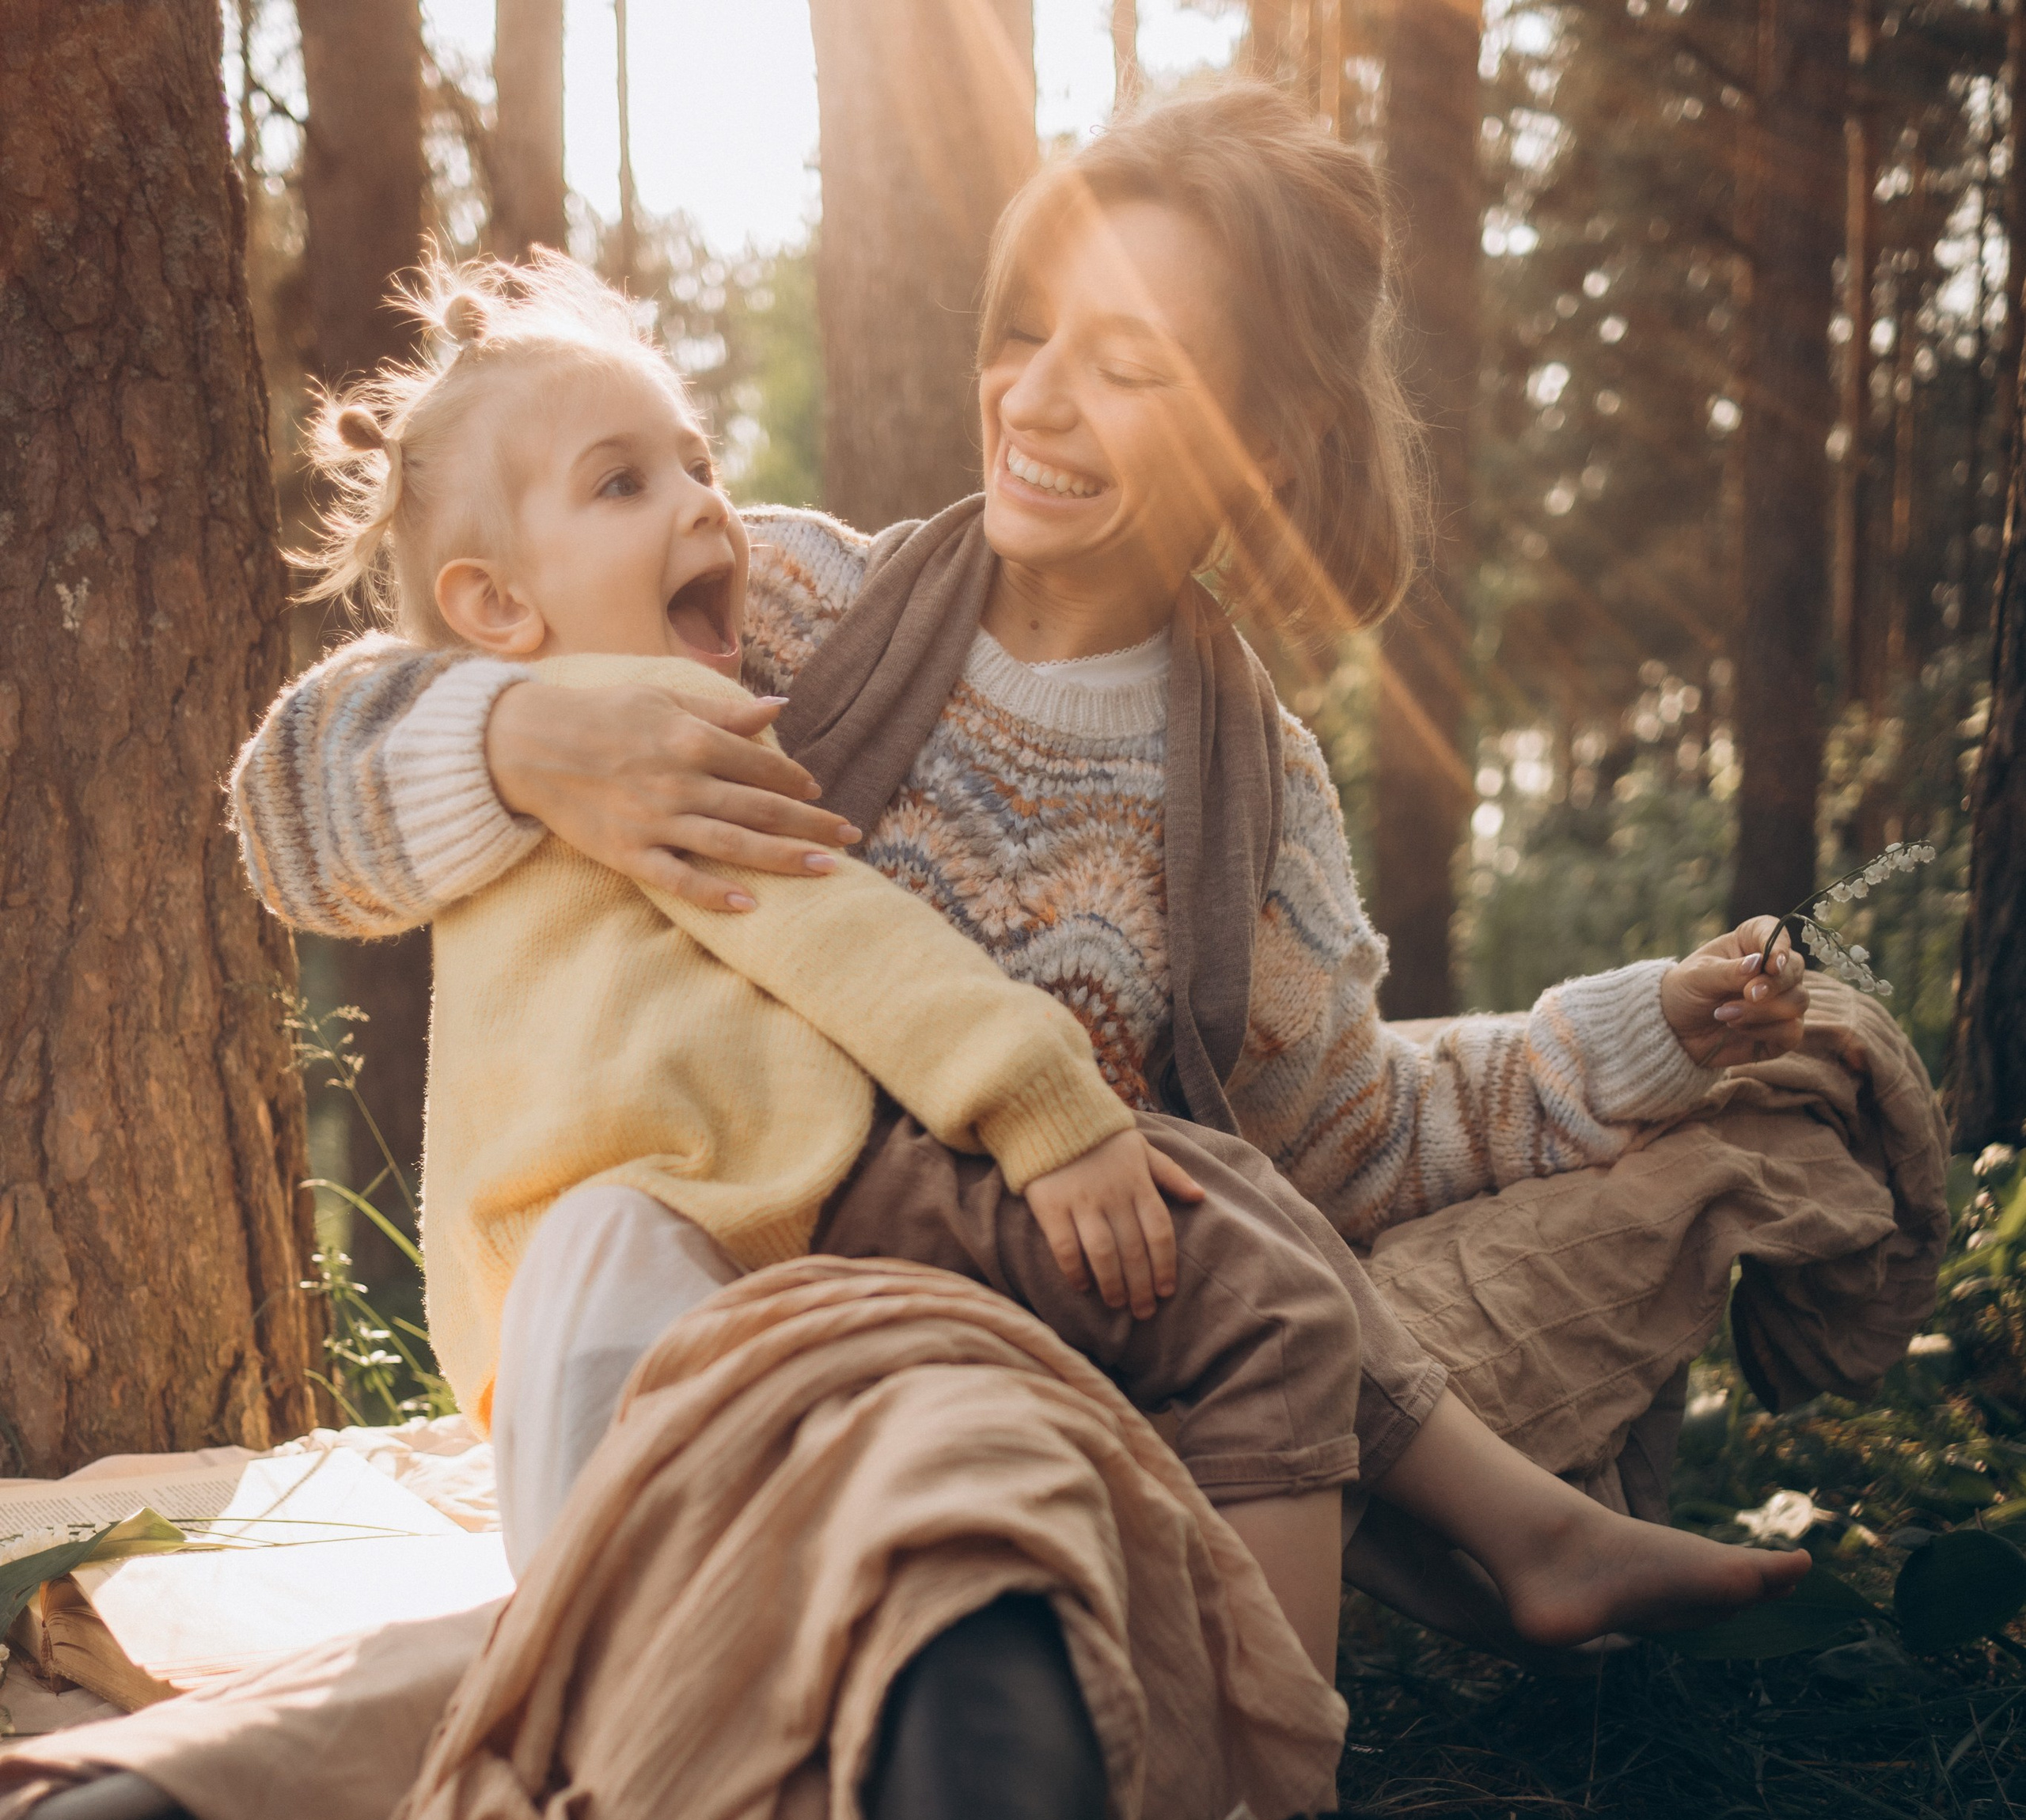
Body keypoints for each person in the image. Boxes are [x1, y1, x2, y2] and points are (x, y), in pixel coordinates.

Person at [237, 241, 1815, 1660]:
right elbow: (295, 800)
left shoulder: (1251, 791)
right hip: (765, 1252)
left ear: (1251, 441)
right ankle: (1283, 1788)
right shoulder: (791, 607)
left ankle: (1422, 1629)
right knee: (1209, 1242)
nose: (1036, 398)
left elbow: (1348, 1131)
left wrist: (1639, 1032)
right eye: (1024, 330)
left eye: (1127, 365)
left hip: (1013, 1271)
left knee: (1229, 1199)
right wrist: (510, 729)